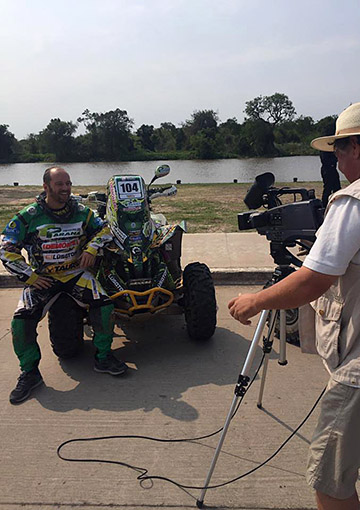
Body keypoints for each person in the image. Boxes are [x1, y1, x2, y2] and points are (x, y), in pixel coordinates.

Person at [228, 102, 360, 510]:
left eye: (339, 146)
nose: (334, 156)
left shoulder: (351, 203)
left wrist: (255, 300)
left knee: (330, 479)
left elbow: (314, 280)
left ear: (356, 148)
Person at [0, 166, 128, 405]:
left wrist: (91, 248)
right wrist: (29, 276)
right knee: (20, 322)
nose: (66, 188)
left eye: (68, 183)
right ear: (46, 187)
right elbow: (6, 249)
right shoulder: (28, 215)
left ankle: (103, 357)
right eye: (60, 184)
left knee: (105, 306)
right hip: (43, 278)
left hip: (76, 275)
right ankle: (30, 373)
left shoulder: (81, 211)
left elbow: (106, 229)